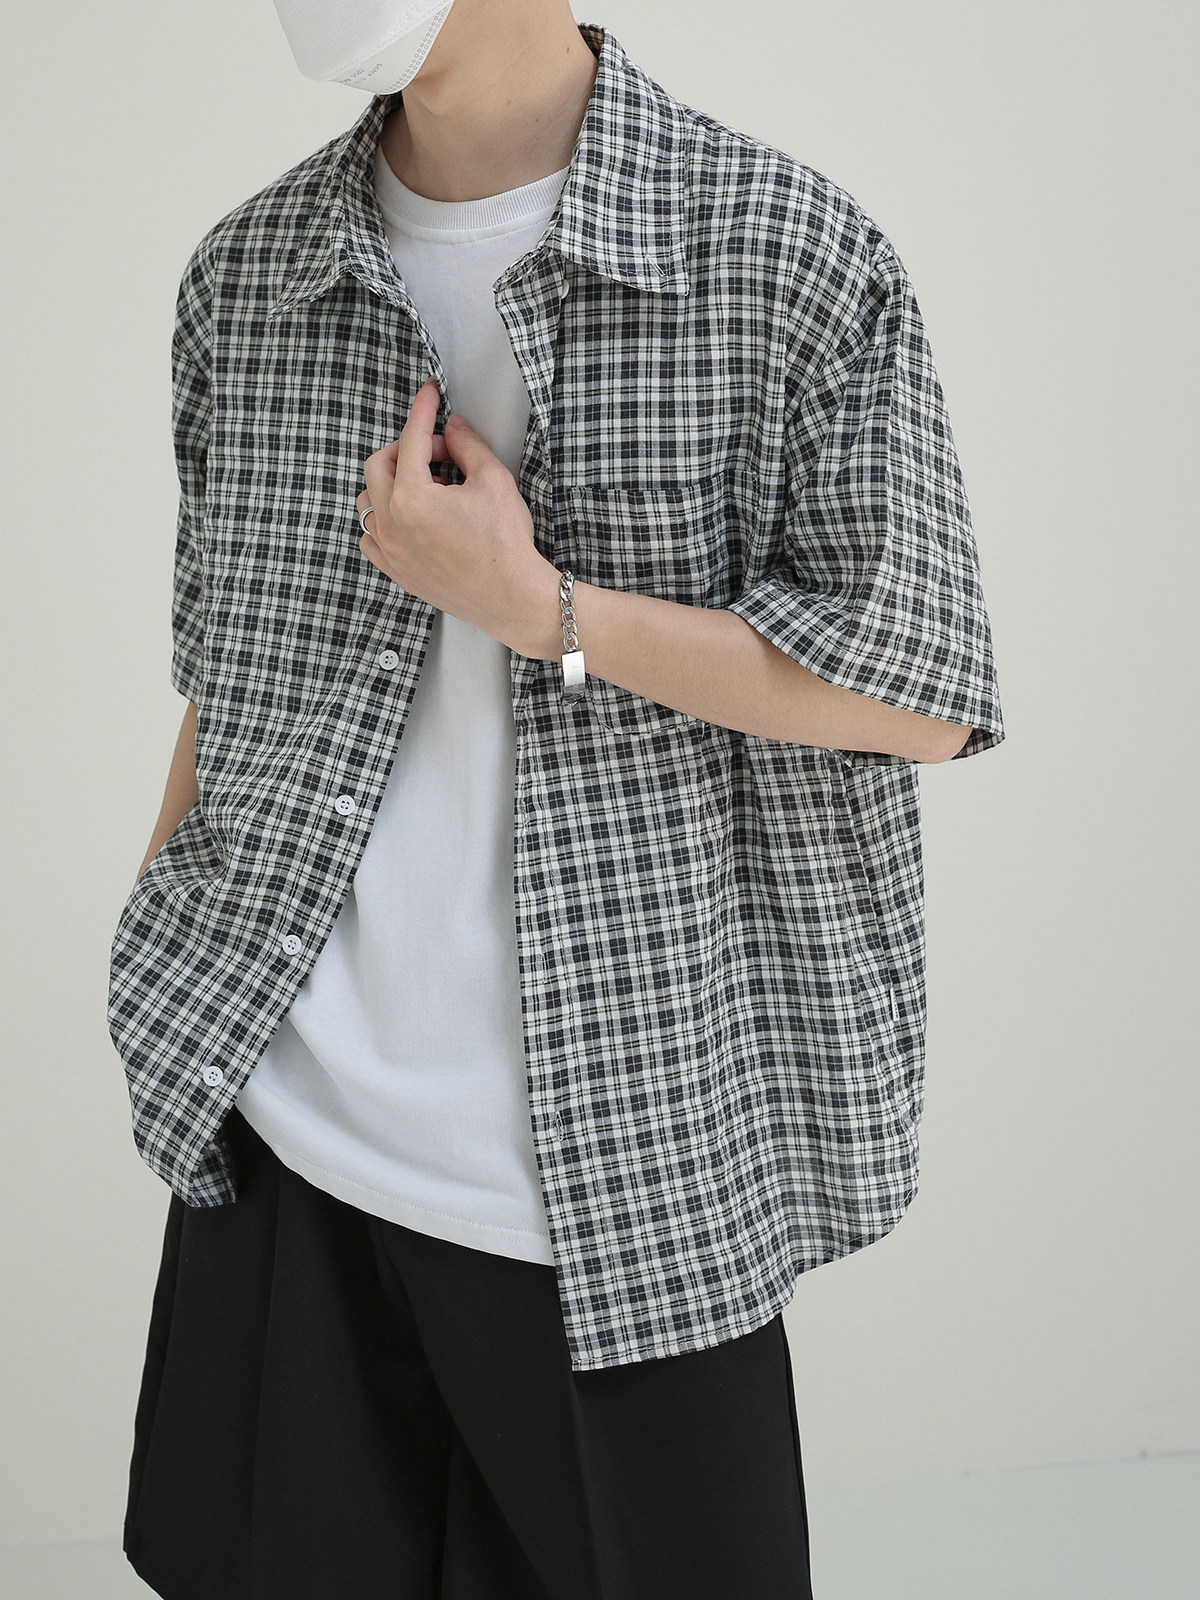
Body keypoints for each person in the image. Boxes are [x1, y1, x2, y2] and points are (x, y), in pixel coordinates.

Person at [108, 3, 1004, 1596]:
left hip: (628, 1176)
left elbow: (922, 692)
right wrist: (167, 980)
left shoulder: (779, 253)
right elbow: (222, 675)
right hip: (286, 1134)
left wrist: (548, 614)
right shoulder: (249, 274)